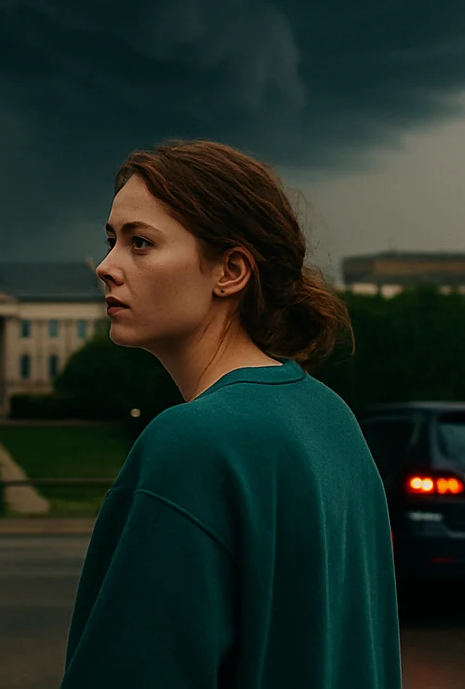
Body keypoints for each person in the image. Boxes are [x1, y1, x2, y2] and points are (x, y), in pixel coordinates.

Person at [60, 140, 400, 688]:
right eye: (111, 241)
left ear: (231, 271)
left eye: (139, 243)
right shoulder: (331, 417)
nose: (105, 267)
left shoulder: (193, 442)